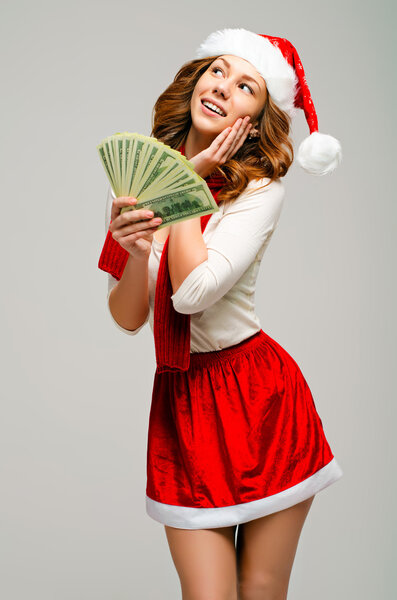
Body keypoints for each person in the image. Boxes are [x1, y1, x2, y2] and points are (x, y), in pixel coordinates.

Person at [99, 27, 343, 600]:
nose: (222, 88)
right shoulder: (140, 174)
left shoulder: (260, 191)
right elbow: (128, 316)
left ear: (256, 121)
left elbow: (191, 295)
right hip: (183, 402)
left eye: (246, 85)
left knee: (259, 589)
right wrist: (135, 253)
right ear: (196, 79)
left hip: (260, 400)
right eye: (218, 71)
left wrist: (186, 185)